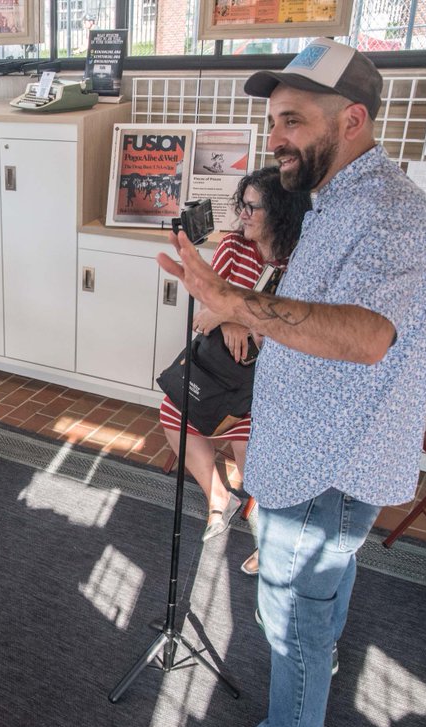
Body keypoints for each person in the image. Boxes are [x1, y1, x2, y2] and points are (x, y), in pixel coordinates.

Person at [158, 39, 426, 727]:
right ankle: (315, 666)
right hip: (311, 454)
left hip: (329, 465)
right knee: (316, 606)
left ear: (351, 120)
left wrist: (240, 306)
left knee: (291, 618)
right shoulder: (334, 201)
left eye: (292, 121)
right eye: (273, 121)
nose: (274, 138)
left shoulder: (392, 213)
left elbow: (366, 334)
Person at [158, 165, 310, 576]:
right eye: (240, 205)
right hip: (218, 369)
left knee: (248, 441)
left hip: (266, 381)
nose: (242, 214)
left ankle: (269, 535)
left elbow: (292, 330)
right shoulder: (232, 248)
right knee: (174, 410)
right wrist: (230, 320)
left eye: (252, 207)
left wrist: (240, 318)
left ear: (280, 211)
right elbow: (204, 314)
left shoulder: (299, 263)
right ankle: (217, 497)